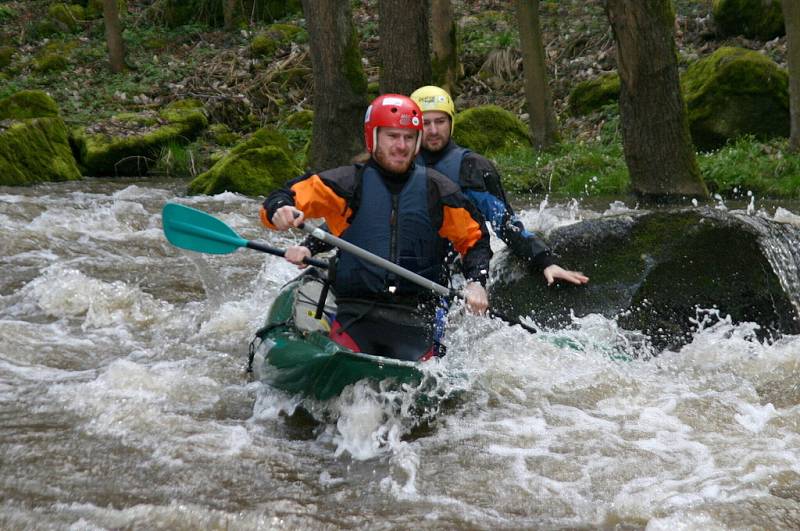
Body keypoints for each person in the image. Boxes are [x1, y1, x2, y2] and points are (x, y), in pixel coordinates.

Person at [260, 94, 492, 362]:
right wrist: (280, 209)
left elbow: (475, 239)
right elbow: (286, 195)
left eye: (408, 137)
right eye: (392, 136)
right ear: (373, 137)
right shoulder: (347, 184)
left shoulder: (439, 191)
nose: (401, 146)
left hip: (416, 320)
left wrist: (477, 282)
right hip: (355, 316)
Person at [409, 85, 589, 287]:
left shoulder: (471, 168)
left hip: (453, 272)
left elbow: (505, 223)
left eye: (440, 121)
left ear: (450, 122)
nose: (433, 130)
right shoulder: (399, 165)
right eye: (426, 123)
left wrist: (545, 261)